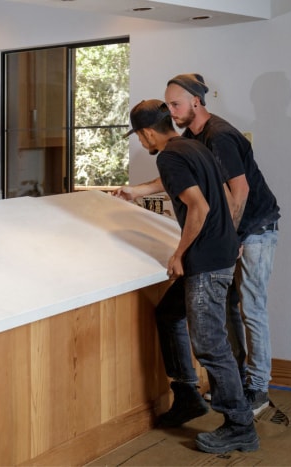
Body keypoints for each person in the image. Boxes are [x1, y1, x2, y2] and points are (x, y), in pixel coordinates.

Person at [116, 74, 280, 417]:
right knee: (227, 309)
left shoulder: (218, 136)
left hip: (253, 228)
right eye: (168, 106)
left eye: (175, 104)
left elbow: (240, 191)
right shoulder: (189, 139)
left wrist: (229, 237)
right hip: (226, 235)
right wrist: (138, 191)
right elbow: (189, 179)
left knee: (251, 308)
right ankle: (231, 386)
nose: (171, 112)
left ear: (196, 101)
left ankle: (257, 390)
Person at [123, 99, 258, 454]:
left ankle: (239, 425)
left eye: (139, 136)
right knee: (168, 314)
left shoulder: (170, 156)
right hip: (220, 251)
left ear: (148, 132)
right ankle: (187, 395)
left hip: (206, 260)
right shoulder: (191, 146)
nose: (141, 143)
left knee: (211, 345)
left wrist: (179, 253)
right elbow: (212, 191)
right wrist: (136, 191)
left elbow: (198, 207)